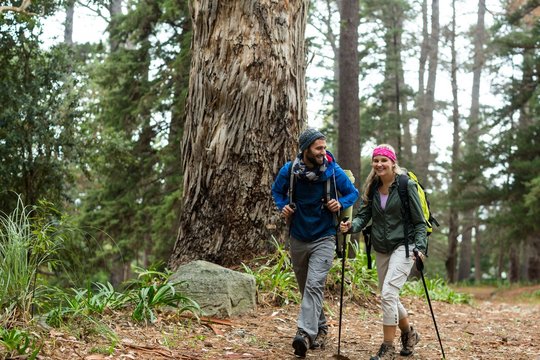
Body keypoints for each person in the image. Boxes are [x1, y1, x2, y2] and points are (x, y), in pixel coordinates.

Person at [271, 128, 359, 358]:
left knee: (314, 285)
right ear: (306, 149)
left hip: (325, 237)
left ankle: (305, 334)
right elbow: (276, 191)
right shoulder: (290, 171)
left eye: (324, 147)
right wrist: (283, 206)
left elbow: (352, 193)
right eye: (318, 148)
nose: (323, 152)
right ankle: (320, 328)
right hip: (298, 236)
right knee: (305, 287)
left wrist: (339, 204)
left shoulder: (331, 169)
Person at [340, 144, 426, 360]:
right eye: (376, 160)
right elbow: (363, 215)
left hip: (405, 246)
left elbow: (419, 222)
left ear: (392, 163)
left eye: (383, 160)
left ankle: (387, 347)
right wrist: (351, 226)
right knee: (391, 296)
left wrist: (420, 247)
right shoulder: (373, 186)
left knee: (388, 294)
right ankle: (409, 334)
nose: (379, 164)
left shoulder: (406, 186)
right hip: (381, 247)